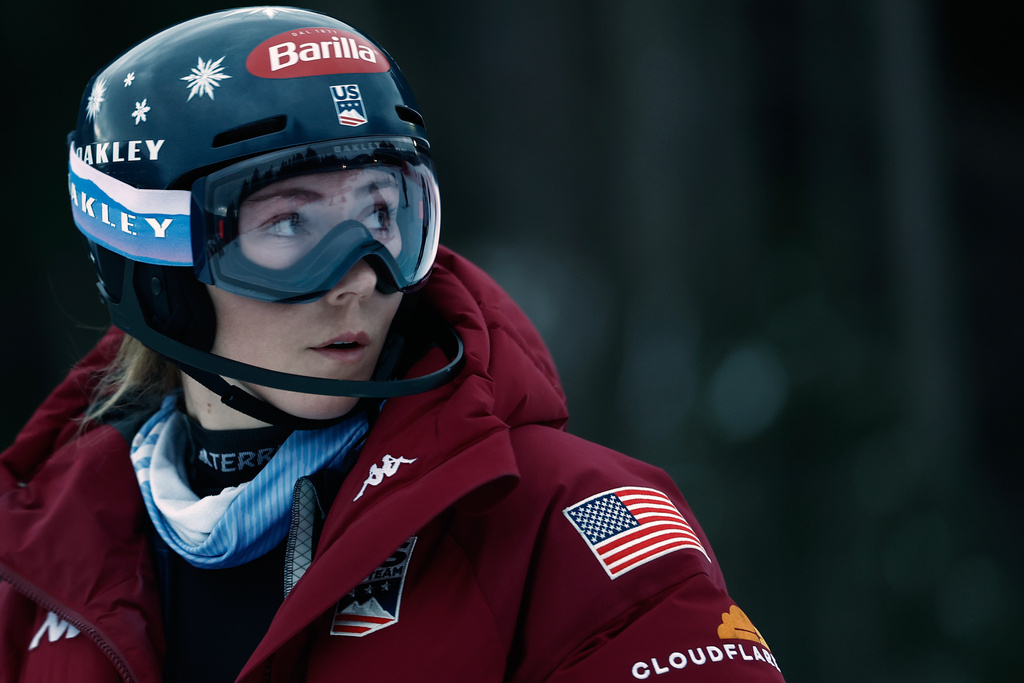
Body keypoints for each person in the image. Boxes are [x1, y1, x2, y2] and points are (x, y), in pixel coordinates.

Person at [0, 7, 787, 682]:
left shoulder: (565, 520)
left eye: (382, 215)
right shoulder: (40, 571)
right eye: (289, 224)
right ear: (157, 266)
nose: (360, 279)